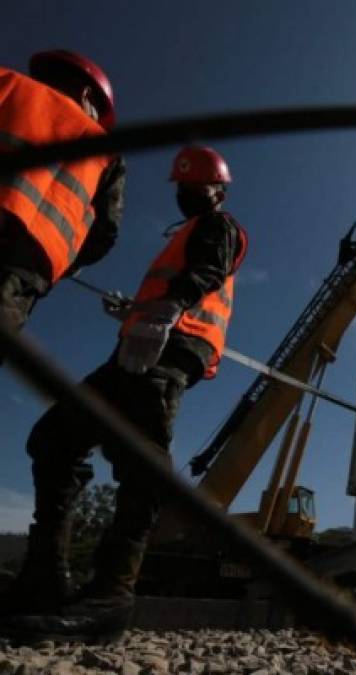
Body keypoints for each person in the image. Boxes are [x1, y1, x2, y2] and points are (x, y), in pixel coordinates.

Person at [1, 146, 247, 643]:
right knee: (54, 438)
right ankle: (45, 579)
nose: (185, 195)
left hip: (170, 350)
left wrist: (166, 309)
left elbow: (206, 273)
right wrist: (136, 311)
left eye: (194, 187)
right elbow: (176, 284)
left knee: (139, 463)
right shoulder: (185, 237)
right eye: (181, 188)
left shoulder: (219, 227)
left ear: (217, 190)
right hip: (138, 348)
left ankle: (111, 597)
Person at [0, 50, 125, 355]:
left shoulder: (6, 83)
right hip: (20, 273)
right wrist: (67, 264)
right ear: (87, 96)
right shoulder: (104, 150)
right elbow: (104, 233)